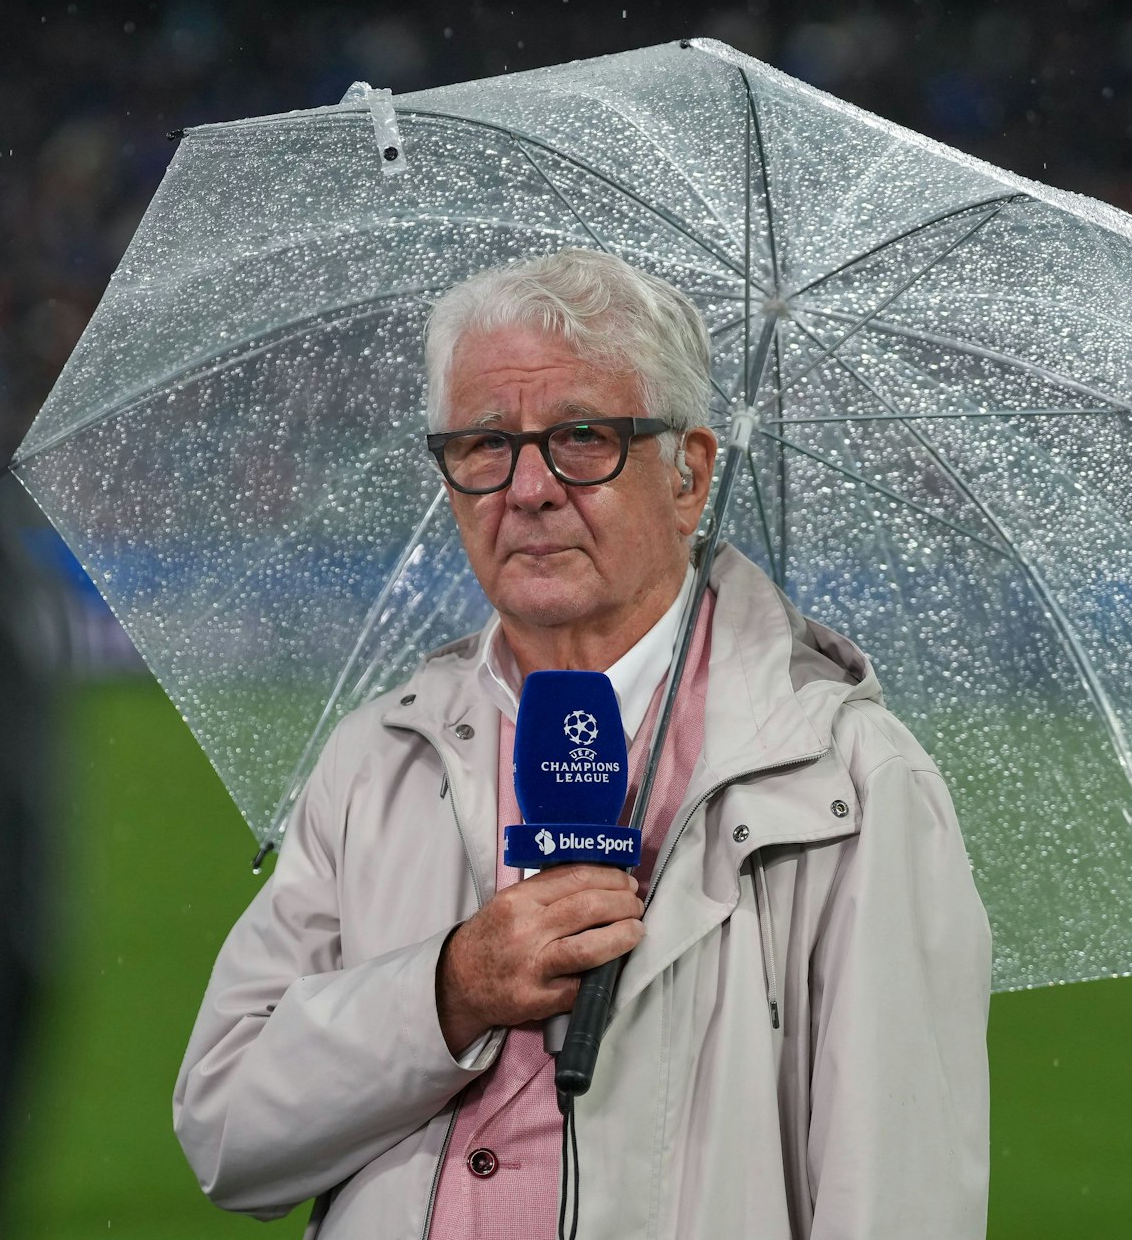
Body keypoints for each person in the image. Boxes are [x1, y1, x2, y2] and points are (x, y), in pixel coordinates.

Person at [173, 248, 992, 1239]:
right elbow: (226, 1131)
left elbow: (897, 1205)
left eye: (581, 437)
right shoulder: (379, 754)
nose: (528, 489)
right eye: (484, 444)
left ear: (689, 474)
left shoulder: (848, 783)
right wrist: (448, 992)